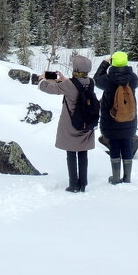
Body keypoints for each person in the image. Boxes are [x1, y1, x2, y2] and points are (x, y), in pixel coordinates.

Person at [38, 54, 96, 192]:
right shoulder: (91, 82)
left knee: (71, 153)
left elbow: (48, 88)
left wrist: (41, 79)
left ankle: (73, 184)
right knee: (83, 153)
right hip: (86, 123)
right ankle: (83, 183)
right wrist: (65, 80)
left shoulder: (69, 84)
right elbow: (77, 85)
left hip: (71, 123)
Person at [94, 51, 138, 184]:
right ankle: (127, 177)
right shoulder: (132, 79)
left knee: (114, 145)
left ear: (113, 62)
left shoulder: (108, 80)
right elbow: (136, 82)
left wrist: (104, 64)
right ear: (126, 61)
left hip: (111, 122)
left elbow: (96, 79)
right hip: (129, 121)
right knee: (126, 144)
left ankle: (115, 177)